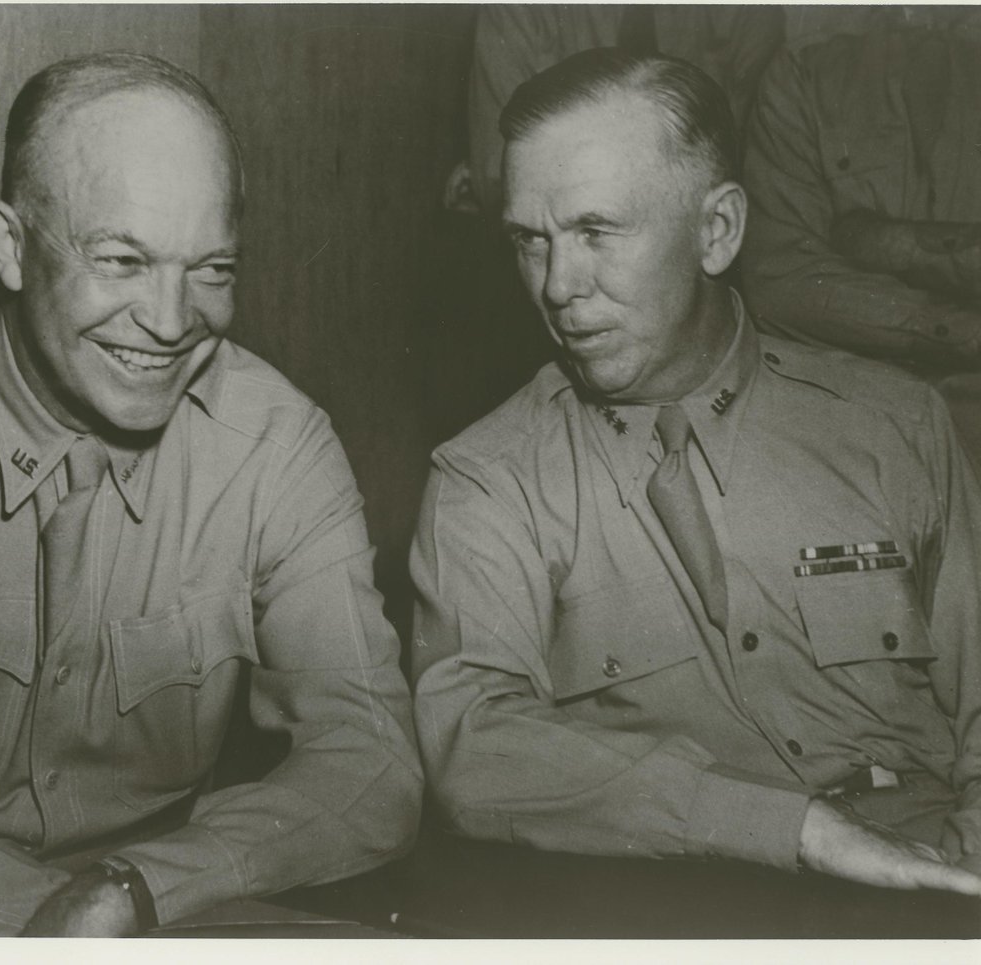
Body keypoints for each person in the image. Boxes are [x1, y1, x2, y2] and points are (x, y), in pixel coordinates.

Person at [0, 52, 421, 937]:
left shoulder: (277, 442)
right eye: (123, 260)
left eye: (212, 270)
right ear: (10, 247)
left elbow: (371, 763)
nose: (170, 322)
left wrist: (136, 890)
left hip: (161, 911)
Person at [411, 48, 981, 897]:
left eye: (596, 231)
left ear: (717, 231)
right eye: (530, 240)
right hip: (689, 896)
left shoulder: (895, 425)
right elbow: (475, 746)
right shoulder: (489, 480)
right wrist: (793, 827)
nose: (558, 286)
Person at [741, 9, 981, 471]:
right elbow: (782, 285)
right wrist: (966, 329)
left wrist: (881, 240)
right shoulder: (807, 69)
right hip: (846, 424)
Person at [446, 5, 784, 215]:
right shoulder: (519, 10)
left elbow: (747, 165)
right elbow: (499, 173)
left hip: (690, 226)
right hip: (566, 223)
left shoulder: (748, 13)